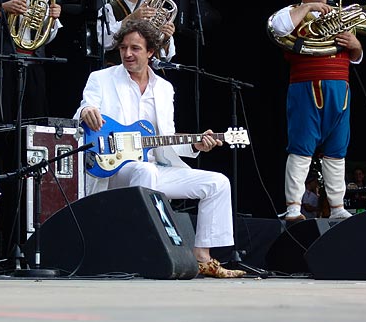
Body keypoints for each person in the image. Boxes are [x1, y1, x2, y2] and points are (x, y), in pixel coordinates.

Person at [73, 19, 245, 278]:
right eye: (123, 48)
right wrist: (86, 112)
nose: (127, 54)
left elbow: (165, 138)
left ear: (151, 51)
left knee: (217, 183)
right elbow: (83, 112)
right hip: (113, 170)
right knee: (145, 170)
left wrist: (196, 144)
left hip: (154, 166)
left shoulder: (165, 89)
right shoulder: (101, 78)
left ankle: (202, 257)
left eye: (135, 48)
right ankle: (146, 249)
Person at [269, 0, 362, 221]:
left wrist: (356, 46)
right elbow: (278, 28)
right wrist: (308, 7)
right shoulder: (290, 12)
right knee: (301, 147)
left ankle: (336, 207)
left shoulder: (337, 15)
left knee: (337, 149)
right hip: (305, 87)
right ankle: (293, 208)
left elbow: (355, 56)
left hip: (340, 88)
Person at [97, 0, 176, 65]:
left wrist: (166, 39)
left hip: (150, 73)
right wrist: (131, 18)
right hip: (119, 72)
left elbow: (167, 58)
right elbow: (105, 41)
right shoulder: (108, 8)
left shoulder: (156, 9)